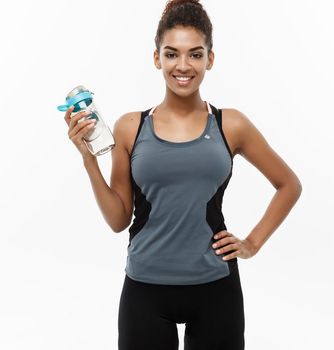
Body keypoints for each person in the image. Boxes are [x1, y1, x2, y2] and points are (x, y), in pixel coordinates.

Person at [62, 0, 303, 349]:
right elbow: (117, 220)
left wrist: (252, 243)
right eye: (172, 54)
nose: (183, 66)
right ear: (157, 57)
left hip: (216, 287)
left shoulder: (230, 124)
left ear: (210, 59)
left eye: (195, 54)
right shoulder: (130, 127)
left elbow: (288, 185)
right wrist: (88, 160)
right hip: (145, 288)